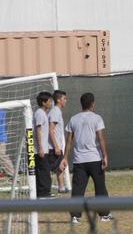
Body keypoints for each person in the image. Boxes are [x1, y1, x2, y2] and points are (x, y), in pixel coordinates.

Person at [64, 92, 112, 224]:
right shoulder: (97, 118)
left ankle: (75, 216)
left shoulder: (73, 119)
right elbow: (100, 139)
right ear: (92, 104)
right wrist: (105, 156)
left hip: (79, 161)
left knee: (78, 189)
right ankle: (104, 215)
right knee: (100, 187)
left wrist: (64, 157)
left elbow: (69, 141)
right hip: (95, 159)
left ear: (81, 104)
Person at [33, 91, 56, 199]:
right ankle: (43, 193)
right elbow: (38, 130)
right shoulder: (39, 113)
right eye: (49, 101)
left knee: (44, 171)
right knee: (44, 171)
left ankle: (42, 192)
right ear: (43, 102)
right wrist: (40, 148)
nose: (51, 103)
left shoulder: (43, 113)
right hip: (40, 150)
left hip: (43, 149)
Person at [50, 90, 70, 193]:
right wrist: (56, 146)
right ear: (58, 100)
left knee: (60, 167)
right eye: (64, 98)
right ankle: (44, 189)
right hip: (53, 147)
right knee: (54, 167)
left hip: (57, 146)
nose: (66, 100)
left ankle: (61, 187)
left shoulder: (57, 111)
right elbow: (50, 129)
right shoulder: (55, 112)